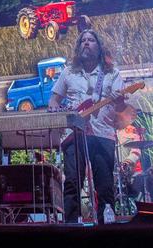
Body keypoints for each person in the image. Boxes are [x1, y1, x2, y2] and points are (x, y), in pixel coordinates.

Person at [48, 29, 123, 223]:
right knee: (72, 182)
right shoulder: (68, 72)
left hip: (102, 134)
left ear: (99, 47)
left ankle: (107, 228)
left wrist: (119, 100)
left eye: (91, 40)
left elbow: (121, 106)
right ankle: (71, 227)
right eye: (83, 41)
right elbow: (54, 100)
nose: (86, 43)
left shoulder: (112, 73)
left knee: (105, 185)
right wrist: (55, 109)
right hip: (74, 135)